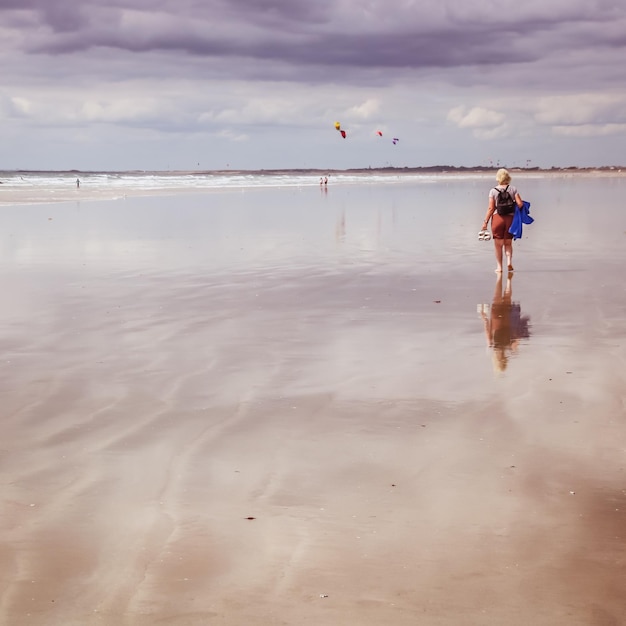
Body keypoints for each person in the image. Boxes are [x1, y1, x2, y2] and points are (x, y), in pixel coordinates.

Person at [480, 168, 523, 273]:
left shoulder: (493, 191)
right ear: (508, 177)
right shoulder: (513, 189)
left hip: (497, 219)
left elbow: (491, 208)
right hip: (510, 219)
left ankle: (499, 268)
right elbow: (520, 204)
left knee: (498, 245)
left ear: (498, 178)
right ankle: (509, 262)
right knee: (508, 243)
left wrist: (485, 222)